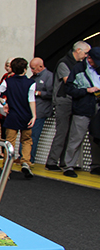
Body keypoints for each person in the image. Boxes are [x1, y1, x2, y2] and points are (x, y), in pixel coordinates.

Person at [46, 41, 91, 171]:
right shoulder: (64, 63)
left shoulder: (78, 64)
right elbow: (69, 82)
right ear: (78, 51)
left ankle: (65, 162)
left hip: (75, 100)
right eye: (86, 52)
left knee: (72, 133)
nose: (87, 56)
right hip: (64, 100)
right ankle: (52, 161)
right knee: (62, 132)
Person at [0, 58, 36, 179]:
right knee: (27, 140)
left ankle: (6, 168)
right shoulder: (30, 83)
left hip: (12, 115)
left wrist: (4, 103)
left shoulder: (8, 81)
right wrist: (34, 115)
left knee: (10, 142)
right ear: (25, 69)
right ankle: (25, 162)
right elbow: (31, 100)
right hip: (26, 115)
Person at [62, 47, 100, 178]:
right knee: (76, 137)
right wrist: (86, 90)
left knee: (96, 137)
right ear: (89, 59)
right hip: (83, 106)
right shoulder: (78, 69)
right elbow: (69, 89)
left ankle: (96, 165)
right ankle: (69, 165)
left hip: (97, 106)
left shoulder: (97, 68)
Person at [29, 57, 54, 163]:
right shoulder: (33, 77)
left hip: (41, 110)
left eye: (34, 68)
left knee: (34, 135)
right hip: (31, 109)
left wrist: (38, 93)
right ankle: (24, 156)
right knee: (28, 135)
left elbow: (52, 93)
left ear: (41, 66)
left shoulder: (49, 76)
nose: (32, 71)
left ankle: (30, 158)